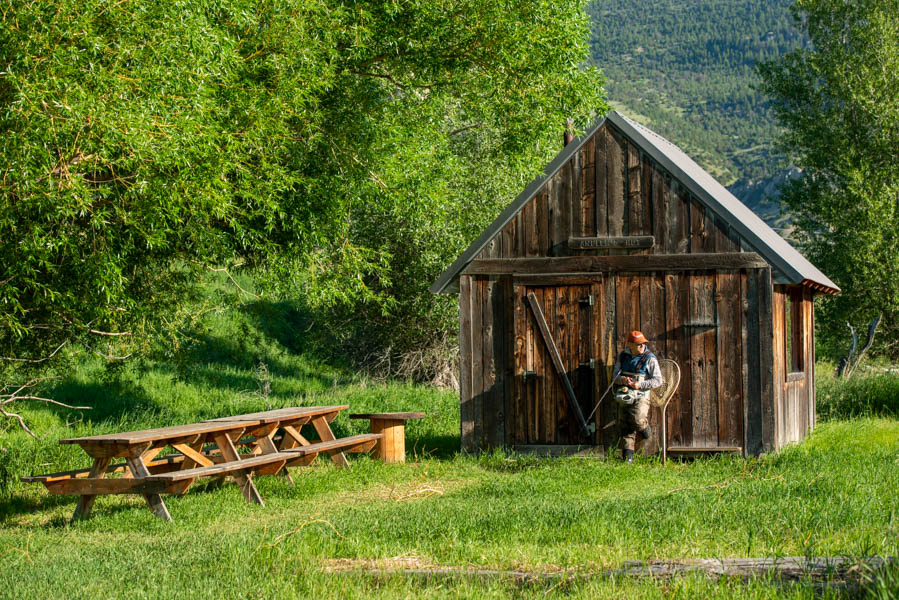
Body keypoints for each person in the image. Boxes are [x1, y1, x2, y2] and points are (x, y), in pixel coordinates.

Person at [613, 330, 663, 464]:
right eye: (638, 344)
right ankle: (628, 456)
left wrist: (639, 385)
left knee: (637, 418)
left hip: (641, 394)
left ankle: (645, 429)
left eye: (643, 344)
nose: (642, 346)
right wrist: (623, 380)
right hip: (625, 393)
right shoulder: (622, 356)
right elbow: (614, 378)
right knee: (625, 423)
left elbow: (658, 380)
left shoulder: (650, 358)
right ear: (629, 344)